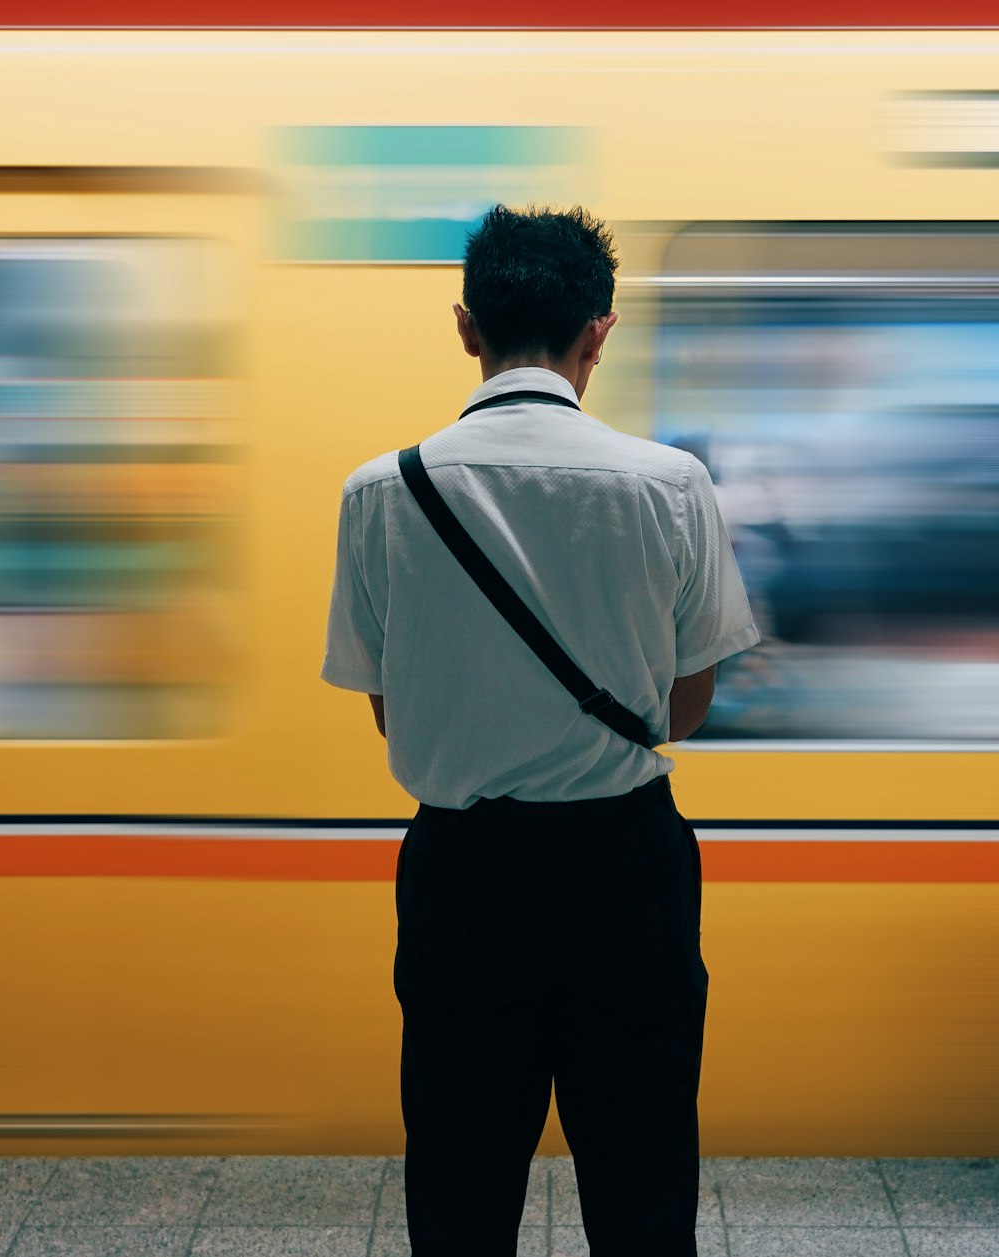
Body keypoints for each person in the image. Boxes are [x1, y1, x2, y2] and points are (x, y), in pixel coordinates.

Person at [321, 204, 759, 1257]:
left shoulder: (381, 492)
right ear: (597, 331)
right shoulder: (671, 485)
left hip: (463, 874)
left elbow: (392, 712)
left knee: (461, 1184)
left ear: (466, 327)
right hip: (626, 871)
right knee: (643, 1175)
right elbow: (683, 711)